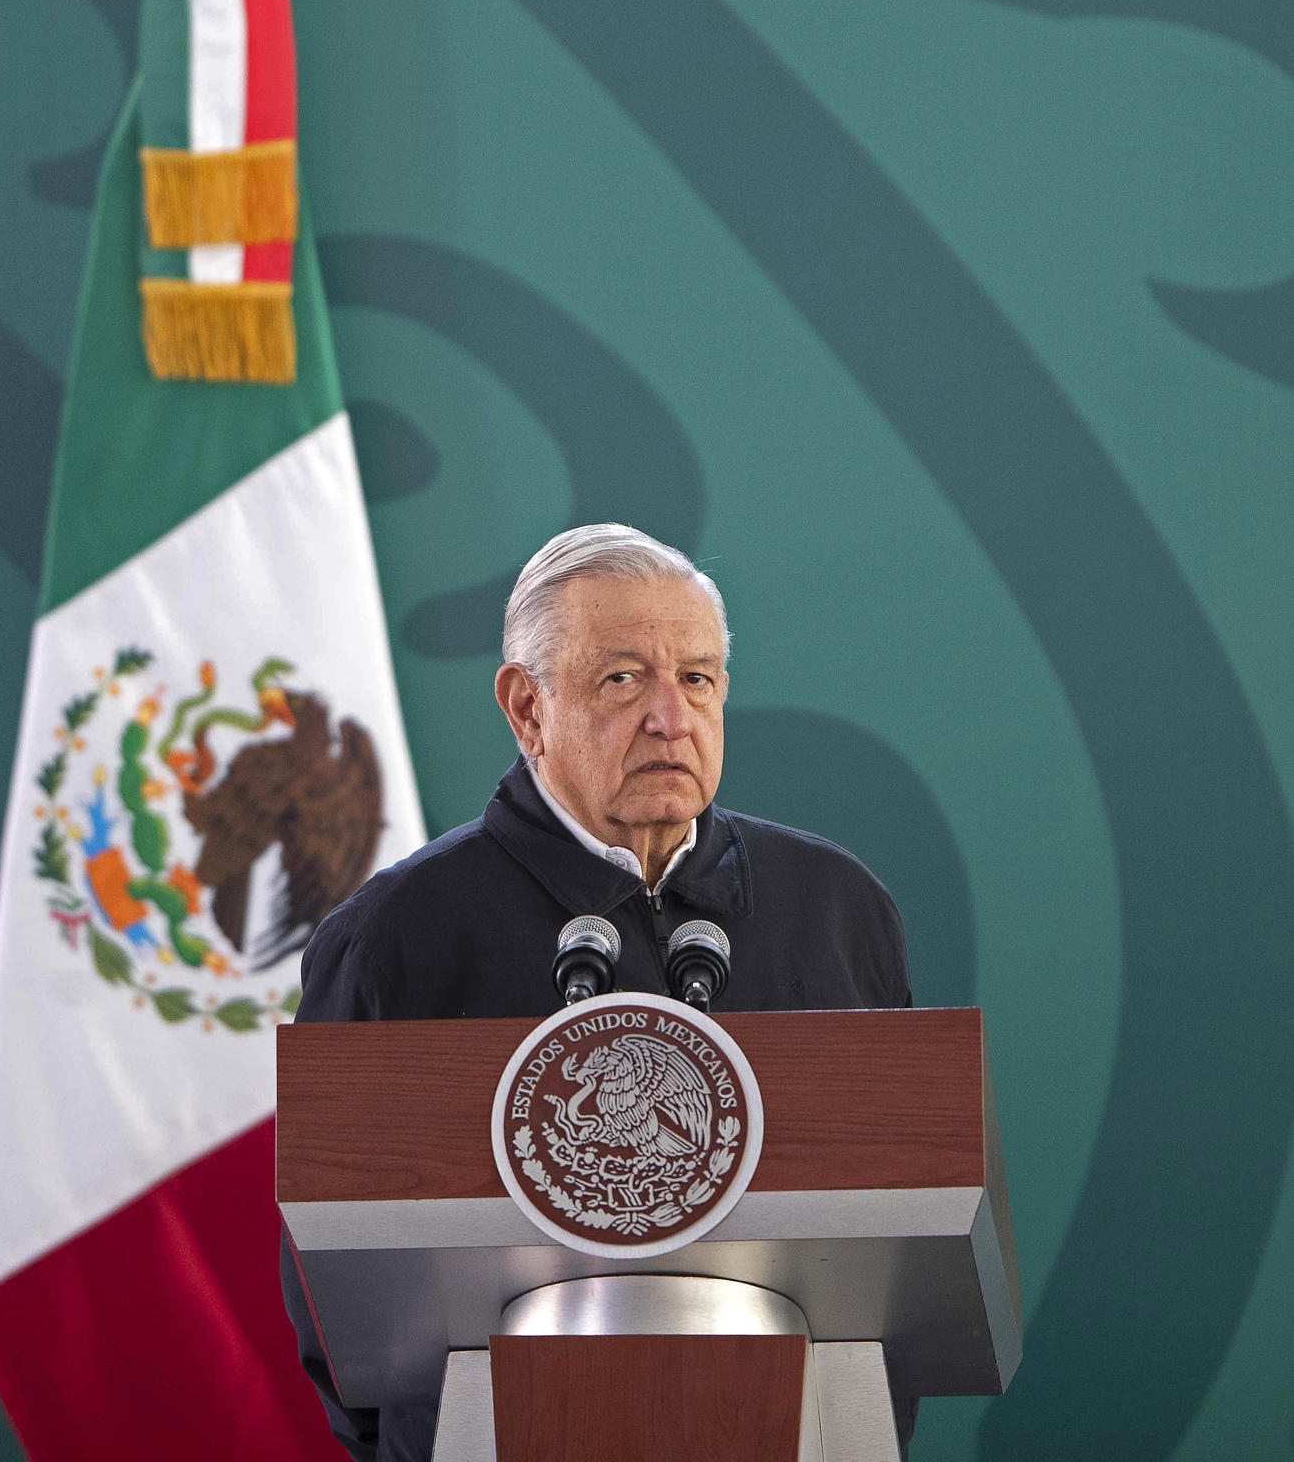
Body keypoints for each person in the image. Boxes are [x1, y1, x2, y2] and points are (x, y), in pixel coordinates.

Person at [281, 523, 916, 1460]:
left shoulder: (835, 908)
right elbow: (335, 1304)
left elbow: (906, 1232)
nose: (670, 717)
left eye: (697, 678)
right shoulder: (396, 937)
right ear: (527, 708)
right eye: (622, 679)